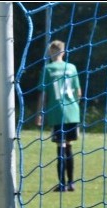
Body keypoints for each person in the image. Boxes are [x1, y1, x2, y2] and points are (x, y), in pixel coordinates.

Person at [35, 39, 82, 192]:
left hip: (57, 113)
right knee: (69, 146)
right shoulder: (72, 67)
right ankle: (71, 182)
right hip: (73, 113)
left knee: (61, 146)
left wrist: (39, 113)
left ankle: (61, 183)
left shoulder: (48, 69)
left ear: (50, 52)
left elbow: (43, 94)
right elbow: (78, 92)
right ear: (64, 52)